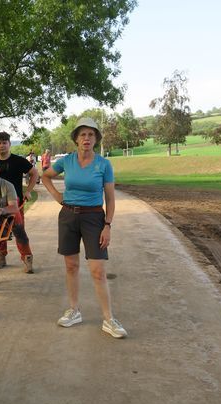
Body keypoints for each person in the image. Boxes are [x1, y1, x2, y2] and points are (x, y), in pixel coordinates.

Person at [41, 117, 127, 339]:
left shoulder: (104, 164)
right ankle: (74, 310)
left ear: (96, 139)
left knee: (97, 270)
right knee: (71, 266)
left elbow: (110, 197)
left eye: (91, 134)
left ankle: (109, 319)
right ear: (76, 139)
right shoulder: (67, 161)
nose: (86, 138)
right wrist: (59, 197)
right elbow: (46, 176)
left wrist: (107, 225)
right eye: (82, 135)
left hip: (94, 218)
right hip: (68, 216)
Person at [0, 131, 38, 273]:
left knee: (18, 229)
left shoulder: (18, 161)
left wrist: (28, 191)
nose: (2, 146)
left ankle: (27, 257)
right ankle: (1, 255)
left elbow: (34, 173)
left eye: (5, 143)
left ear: (9, 144)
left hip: (14, 202)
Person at [0, 158, 23, 258]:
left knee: (19, 229)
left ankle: (26, 256)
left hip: (0, 219)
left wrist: (1, 210)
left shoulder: (7, 186)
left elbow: (14, 208)